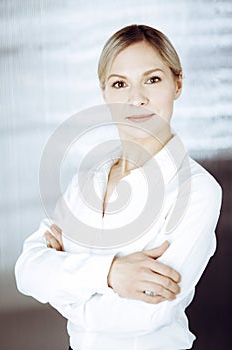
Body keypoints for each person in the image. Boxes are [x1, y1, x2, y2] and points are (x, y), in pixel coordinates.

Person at [15, 24, 222, 350]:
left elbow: (146, 315)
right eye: (119, 84)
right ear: (104, 93)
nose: (135, 98)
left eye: (152, 79)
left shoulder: (198, 191)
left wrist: (63, 280)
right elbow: (26, 271)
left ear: (177, 83)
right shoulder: (88, 178)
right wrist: (111, 274)